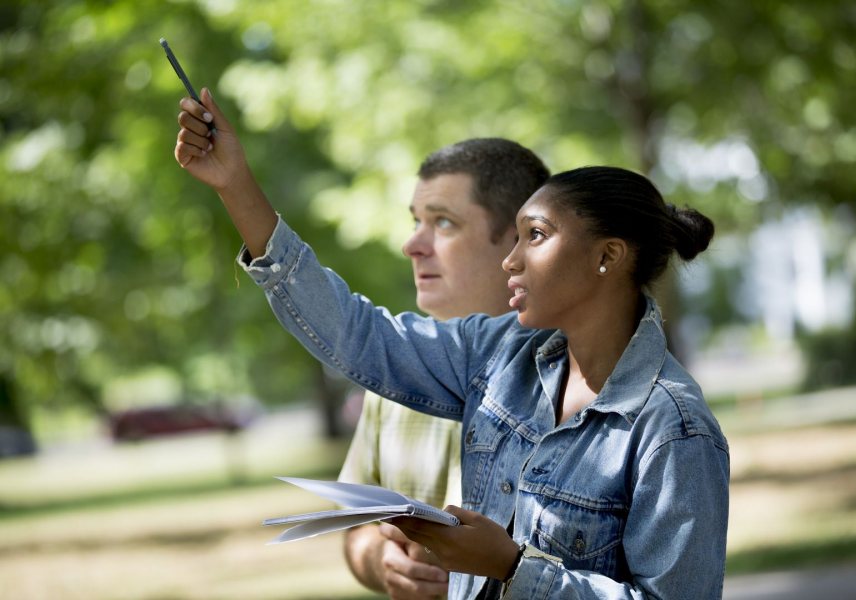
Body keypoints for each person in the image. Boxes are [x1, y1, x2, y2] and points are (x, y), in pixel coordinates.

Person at [174, 89, 729, 599]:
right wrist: (235, 184)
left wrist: (512, 568)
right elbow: (356, 332)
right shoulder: (494, 352)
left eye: (534, 236)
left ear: (607, 256)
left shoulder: (673, 428)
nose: (511, 259)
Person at [337, 138, 549, 599]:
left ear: (521, 239)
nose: (412, 244)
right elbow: (354, 528)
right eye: (416, 221)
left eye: (443, 223)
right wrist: (381, 562)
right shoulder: (391, 373)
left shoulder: (571, 375)